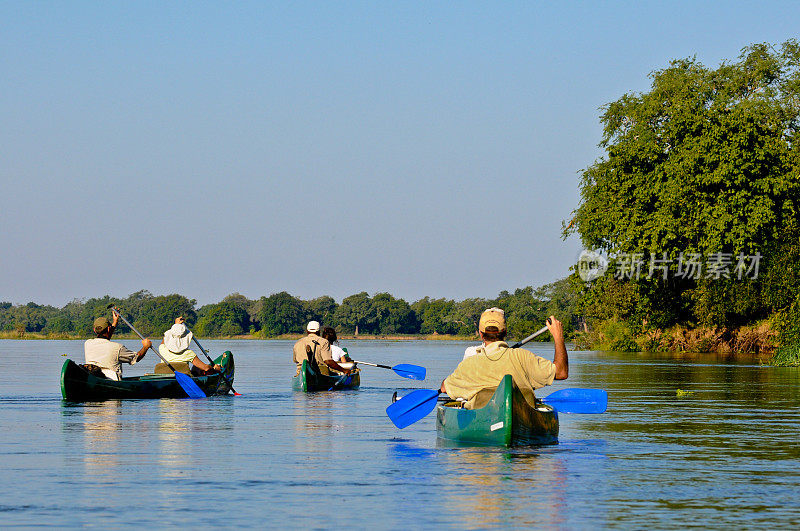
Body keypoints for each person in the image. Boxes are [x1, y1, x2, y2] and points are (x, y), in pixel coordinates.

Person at [440, 307, 568, 409]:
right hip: (521, 416)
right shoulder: (523, 356)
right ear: (505, 333)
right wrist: (558, 336)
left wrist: (448, 381)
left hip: (483, 419)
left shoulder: (468, 365)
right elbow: (561, 372)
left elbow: (444, 388)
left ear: (481, 334)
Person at [84, 313, 151, 381]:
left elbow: (105, 339)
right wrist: (145, 347)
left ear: (94, 330)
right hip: (113, 381)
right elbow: (136, 358)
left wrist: (115, 322)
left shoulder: (87, 343)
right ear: (109, 328)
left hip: (94, 378)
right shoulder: (117, 347)